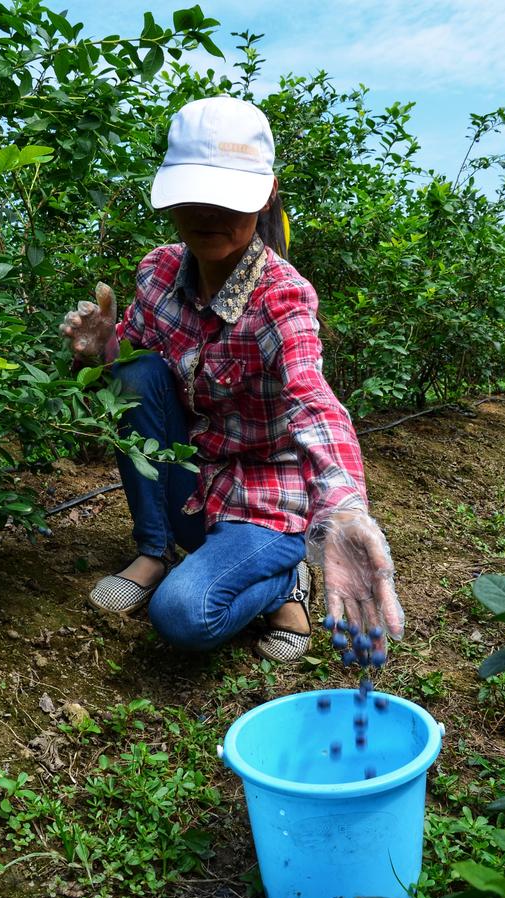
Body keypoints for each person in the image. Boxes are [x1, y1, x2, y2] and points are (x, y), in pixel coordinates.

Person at [61, 95, 404, 662]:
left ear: (265, 195)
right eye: (196, 195)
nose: (210, 215)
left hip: (263, 499)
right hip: (193, 477)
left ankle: (286, 580)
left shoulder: (282, 299)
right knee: (138, 371)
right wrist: (102, 350)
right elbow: (139, 363)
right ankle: (154, 550)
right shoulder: (159, 270)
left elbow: (313, 401)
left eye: (230, 198)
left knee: (184, 615)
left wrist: (344, 510)